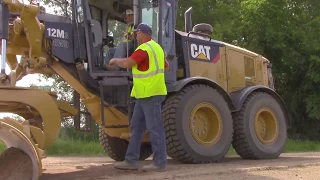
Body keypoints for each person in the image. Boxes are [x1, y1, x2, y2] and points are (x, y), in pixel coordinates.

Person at [108, 23, 169, 172]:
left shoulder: (144, 49)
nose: (135, 35)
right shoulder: (158, 48)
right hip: (145, 94)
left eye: (137, 33)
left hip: (150, 94)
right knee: (136, 127)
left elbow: (128, 62)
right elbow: (166, 67)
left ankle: (160, 163)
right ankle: (131, 160)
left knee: (155, 129)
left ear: (142, 33)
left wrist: (115, 60)